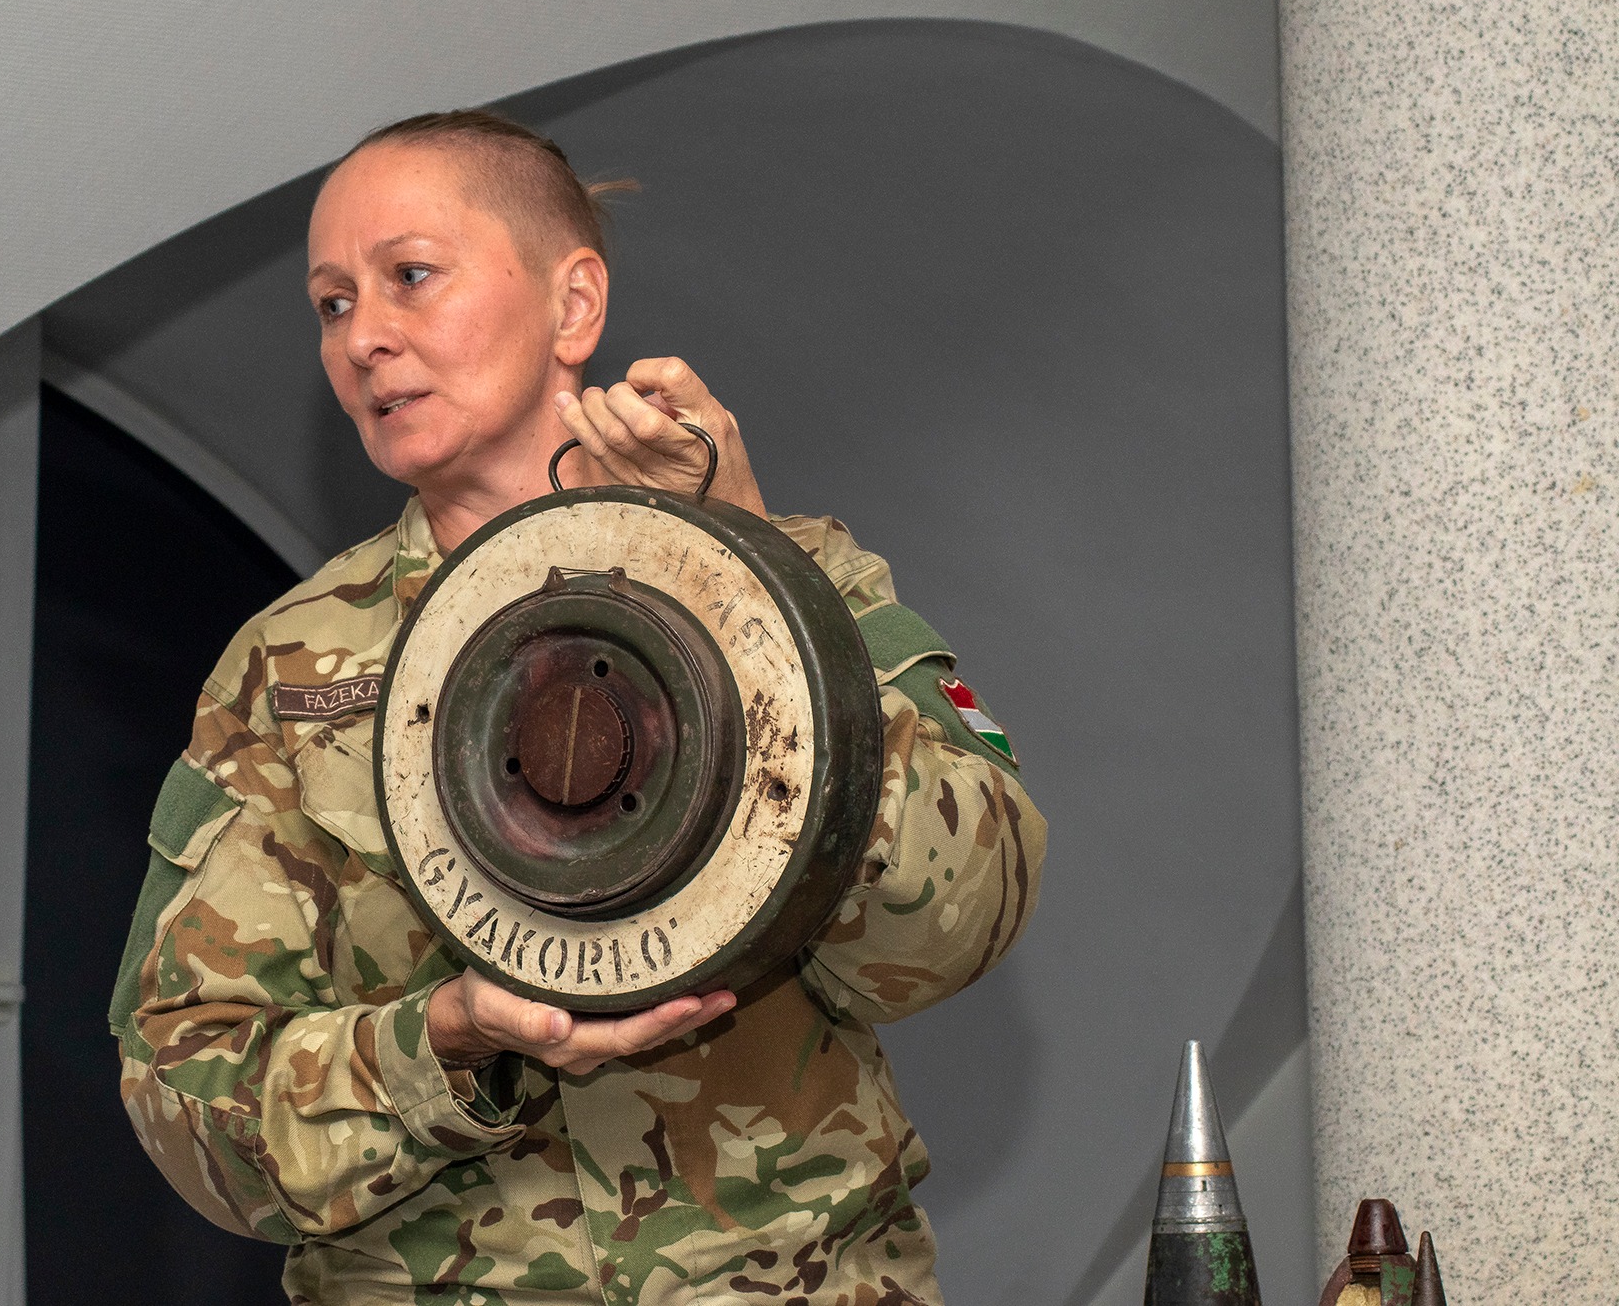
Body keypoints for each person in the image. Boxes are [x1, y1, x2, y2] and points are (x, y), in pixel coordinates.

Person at [110, 109, 1048, 1306]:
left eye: (409, 276)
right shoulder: (292, 673)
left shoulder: (798, 576)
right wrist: (446, 1040)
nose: (362, 338)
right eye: (332, 303)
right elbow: (186, 1096)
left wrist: (752, 580)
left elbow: (956, 926)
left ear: (574, 306)